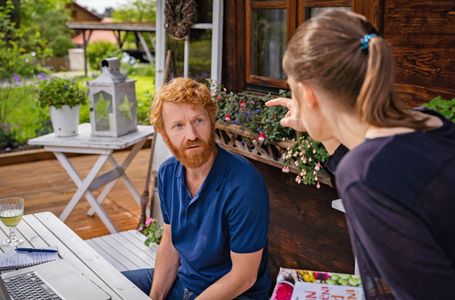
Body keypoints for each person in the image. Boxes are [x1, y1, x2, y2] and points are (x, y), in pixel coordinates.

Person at [266, 10, 455, 299]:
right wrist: (323, 124)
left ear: (308, 94)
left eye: (293, 89)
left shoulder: (364, 174)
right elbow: (386, 176)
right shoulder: (429, 121)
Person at [123, 77, 271, 299]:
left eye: (198, 121)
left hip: (232, 293)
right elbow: (170, 244)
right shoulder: (167, 173)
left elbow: (243, 277)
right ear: (164, 134)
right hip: (184, 282)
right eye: (178, 126)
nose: (191, 135)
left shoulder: (244, 183)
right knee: (105, 286)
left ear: (212, 121)